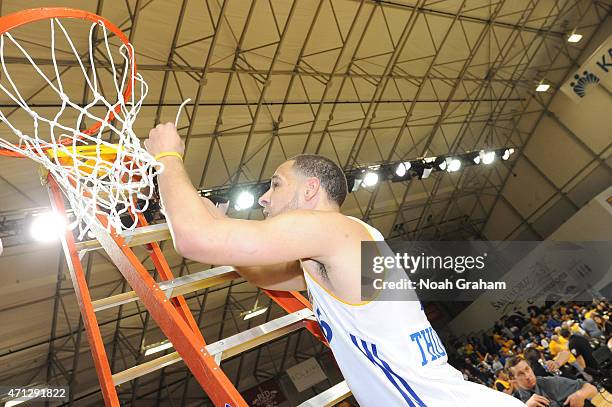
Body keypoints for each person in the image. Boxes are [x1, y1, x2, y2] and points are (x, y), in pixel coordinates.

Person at [145, 123, 526, 406]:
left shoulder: (330, 231)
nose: (263, 198)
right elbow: (261, 272)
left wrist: (167, 155)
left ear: (310, 190)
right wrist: (218, 225)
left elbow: (194, 240)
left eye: (275, 184)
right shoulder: (335, 250)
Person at [505, 356, 597, 407]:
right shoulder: (513, 401)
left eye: (527, 369)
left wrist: (580, 395)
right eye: (520, 374)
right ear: (513, 379)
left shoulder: (548, 383)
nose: (527, 376)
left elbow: (592, 389)